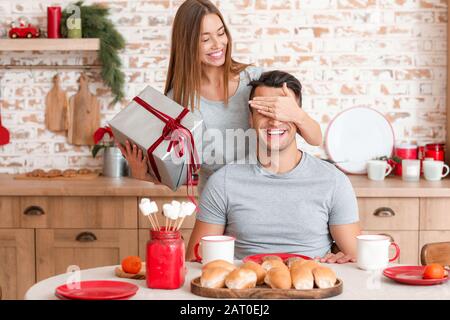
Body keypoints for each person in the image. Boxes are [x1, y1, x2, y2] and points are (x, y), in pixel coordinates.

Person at [118, 0, 323, 193]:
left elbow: (315, 138)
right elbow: (179, 174)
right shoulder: (178, 100)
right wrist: (143, 174)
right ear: (187, 44)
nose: (218, 44)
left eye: (221, 33)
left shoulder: (254, 80)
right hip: (216, 202)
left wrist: (296, 114)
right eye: (205, 39)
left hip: (262, 194)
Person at [186, 70, 361, 263]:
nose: (275, 121)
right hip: (245, 288)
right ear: (250, 119)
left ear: (298, 117)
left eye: (284, 112)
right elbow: (196, 260)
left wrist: (342, 260)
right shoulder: (223, 182)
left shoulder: (333, 181)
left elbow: (356, 259)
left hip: (312, 287)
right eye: (264, 111)